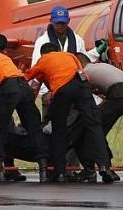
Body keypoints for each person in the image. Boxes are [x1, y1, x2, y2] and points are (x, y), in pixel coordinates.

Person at [24, 42, 116, 183]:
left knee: (59, 131)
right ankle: (104, 166)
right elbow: (81, 72)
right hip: (82, 85)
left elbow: (27, 78)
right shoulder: (70, 56)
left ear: (43, 54)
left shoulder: (43, 60)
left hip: (62, 89)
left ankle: (60, 172)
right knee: (94, 125)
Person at [0, 31, 49, 183]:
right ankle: (43, 167)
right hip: (23, 86)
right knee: (34, 127)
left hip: (8, 88)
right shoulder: (2, 56)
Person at [75, 52, 123, 182]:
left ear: (78, 62)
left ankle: (106, 167)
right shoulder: (101, 66)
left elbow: (82, 94)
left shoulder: (84, 71)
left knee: (96, 129)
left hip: (119, 93)